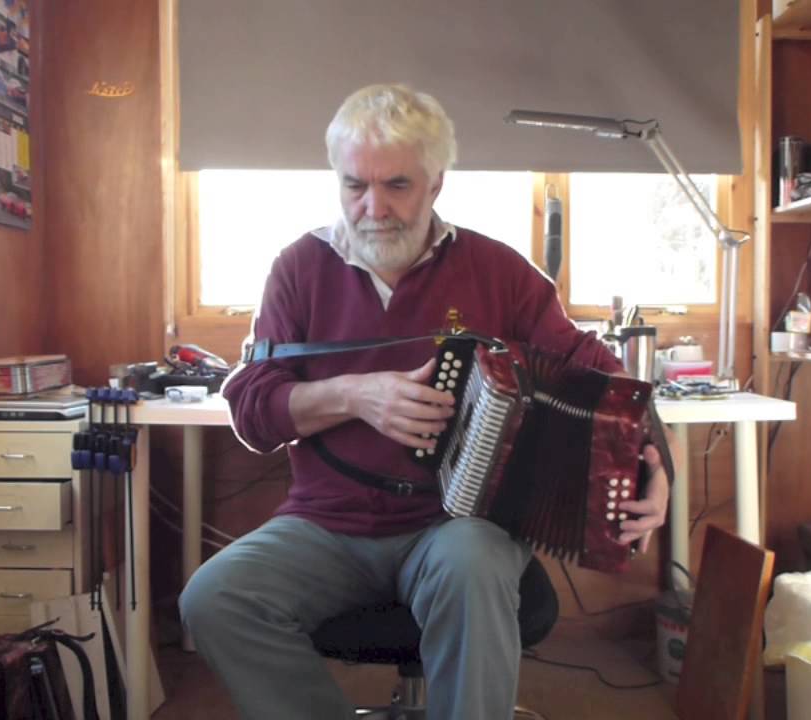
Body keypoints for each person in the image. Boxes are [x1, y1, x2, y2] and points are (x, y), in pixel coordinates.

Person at [179, 83, 670, 719]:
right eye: (355, 186)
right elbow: (251, 409)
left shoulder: (499, 270)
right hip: (327, 525)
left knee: (472, 562)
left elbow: (600, 374)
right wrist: (354, 395)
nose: (373, 207)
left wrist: (656, 465)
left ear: (436, 184)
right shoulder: (298, 268)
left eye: (397, 186)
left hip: (455, 523)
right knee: (213, 598)